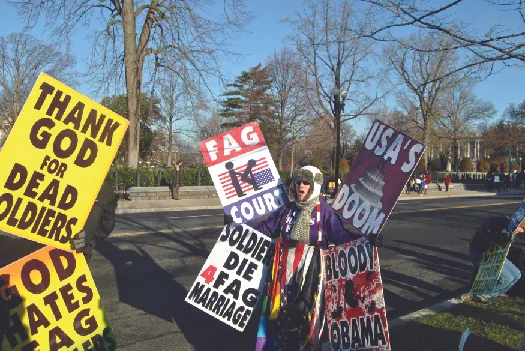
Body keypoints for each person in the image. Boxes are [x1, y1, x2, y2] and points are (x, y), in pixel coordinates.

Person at [226, 166, 383, 350]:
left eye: (306, 182)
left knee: (305, 321)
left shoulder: (324, 211)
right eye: (298, 182)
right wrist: (237, 222)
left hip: (311, 275)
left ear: (315, 185)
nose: (300, 186)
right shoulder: (287, 209)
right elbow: (266, 228)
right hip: (283, 274)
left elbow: (342, 238)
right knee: (281, 317)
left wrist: (367, 240)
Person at [468, 214, 523, 297]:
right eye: (521, 229)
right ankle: (481, 295)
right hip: (482, 253)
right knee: (508, 279)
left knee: (517, 274)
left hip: (492, 253)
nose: (520, 231)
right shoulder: (497, 222)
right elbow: (490, 240)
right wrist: (505, 237)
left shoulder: (505, 224)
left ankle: (492, 293)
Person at [70, 181, 119, 259]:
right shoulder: (101, 188)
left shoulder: (101, 189)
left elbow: (102, 231)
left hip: (77, 252)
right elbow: (102, 231)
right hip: (73, 249)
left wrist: (110, 205)